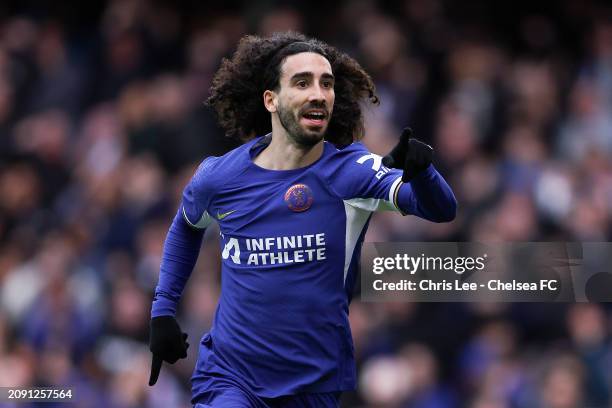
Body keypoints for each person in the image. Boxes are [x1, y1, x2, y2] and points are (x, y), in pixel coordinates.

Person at [148, 31, 457, 407]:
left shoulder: (352, 173)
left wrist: (423, 172)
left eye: (326, 84)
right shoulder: (220, 177)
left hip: (313, 384)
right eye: (302, 82)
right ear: (271, 100)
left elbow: (441, 209)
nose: (318, 93)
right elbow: (186, 226)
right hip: (232, 377)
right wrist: (163, 311)